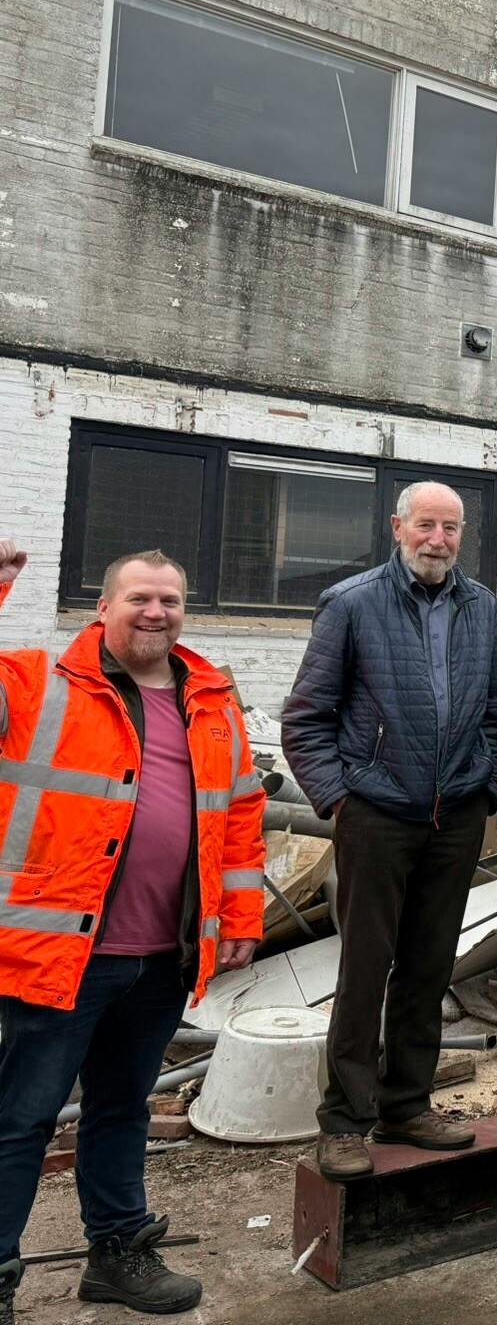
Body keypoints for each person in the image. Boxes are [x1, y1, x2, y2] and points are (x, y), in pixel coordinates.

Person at [0, 541, 264, 1319]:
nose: (155, 612)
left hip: (162, 953)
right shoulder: (35, 680)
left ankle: (116, 1253)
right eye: (139, 599)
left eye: (170, 601)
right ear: (102, 607)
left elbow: (241, 813)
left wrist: (239, 918)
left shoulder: (209, 697)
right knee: (20, 1118)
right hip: (61, 951)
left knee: (122, 1108)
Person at [284, 482, 497, 1181]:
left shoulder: (483, 606)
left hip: (456, 815)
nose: (438, 539)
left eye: (450, 527)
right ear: (397, 527)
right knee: (363, 969)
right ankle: (346, 1121)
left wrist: (487, 785)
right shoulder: (352, 603)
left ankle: (406, 1104)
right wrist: (342, 802)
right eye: (426, 525)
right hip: (377, 813)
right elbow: (305, 719)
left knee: (430, 965)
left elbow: (492, 710)